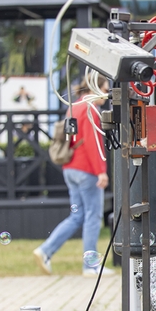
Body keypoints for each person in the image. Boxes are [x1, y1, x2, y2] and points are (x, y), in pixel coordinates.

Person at [33, 88, 111, 277]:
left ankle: (46, 250)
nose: (108, 93)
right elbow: (93, 142)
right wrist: (101, 171)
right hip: (86, 169)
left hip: (70, 167)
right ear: (95, 87)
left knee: (77, 216)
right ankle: (90, 266)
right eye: (105, 88)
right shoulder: (91, 108)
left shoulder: (74, 106)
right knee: (93, 216)